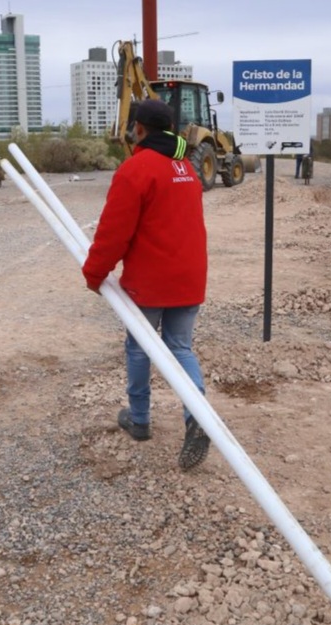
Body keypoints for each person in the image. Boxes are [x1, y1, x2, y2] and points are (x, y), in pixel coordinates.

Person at [81, 98, 210, 471]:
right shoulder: (186, 166)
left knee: (140, 348)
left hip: (150, 283)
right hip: (189, 277)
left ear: (138, 128)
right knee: (180, 347)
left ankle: (139, 420)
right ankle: (196, 415)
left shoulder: (135, 170)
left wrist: (94, 273)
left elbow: (113, 233)